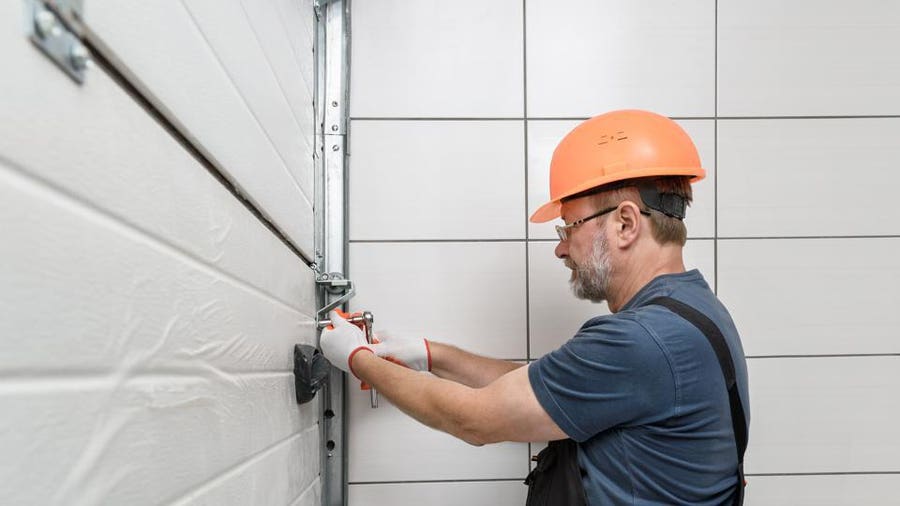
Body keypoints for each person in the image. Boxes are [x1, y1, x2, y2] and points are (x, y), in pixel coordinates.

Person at [319, 109, 750, 505]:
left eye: (570, 227)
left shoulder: (641, 341)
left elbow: (474, 420)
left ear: (625, 223)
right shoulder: (692, 311)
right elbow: (548, 388)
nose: (561, 249)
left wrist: (358, 359)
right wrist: (431, 354)